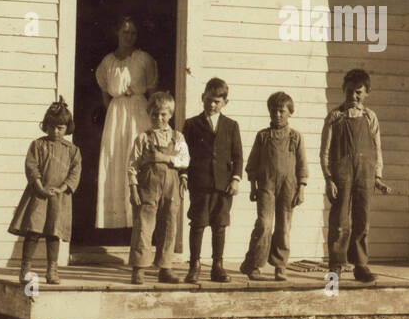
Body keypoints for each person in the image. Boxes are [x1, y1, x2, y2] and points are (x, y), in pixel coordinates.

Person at [320, 69, 388, 283]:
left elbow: (377, 149)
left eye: (359, 92)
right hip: (341, 174)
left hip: (365, 174)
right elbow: (324, 152)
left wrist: (377, 176)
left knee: (362, 220)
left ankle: (360, 265)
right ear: (343, 91)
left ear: (367, 93)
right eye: (349, 92)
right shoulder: (334, 117)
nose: (353, 97)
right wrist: (328, 178)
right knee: (339, 221)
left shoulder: (370, 117)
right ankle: (336, 266)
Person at [95, 16, 158, 237]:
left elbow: (152, 94)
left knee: (137, 158)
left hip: (139, 113)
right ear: (117, 33)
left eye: (133, 33)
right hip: (116, 114)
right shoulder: (107, 62)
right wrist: (115, 108)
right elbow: (105, 93)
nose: (129, 37)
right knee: (116, 158)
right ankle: (117, 222)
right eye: (125, 32)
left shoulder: (143, 59)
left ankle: (139, 221)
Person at [8, 98, 82, 285]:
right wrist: (40, 187)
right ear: (45, 125)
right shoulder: (38, 145)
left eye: (60, 128)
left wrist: (62, 188)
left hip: (59, 197)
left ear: (67, 128)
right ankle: (25, 269)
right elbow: (32, 167)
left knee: (53, 233)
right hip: (39, 195)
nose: (55, 131)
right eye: (51, 127)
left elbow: (75, 172)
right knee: (33, 231)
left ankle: (52, 270)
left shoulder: (72, 150)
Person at [181, 78, 244, 283]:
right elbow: (183, 154)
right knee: (198, 224)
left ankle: (217, 266)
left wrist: (235, 179)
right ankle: (194, 266)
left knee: (220, 225)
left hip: (223, 185)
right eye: (209, 100)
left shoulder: (231, 126)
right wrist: (184, 175)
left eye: (217, 101)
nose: (212, 104)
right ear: (202, 97)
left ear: (225, 102)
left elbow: (238, 155)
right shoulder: (191, 124)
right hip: (200, 183)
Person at [241, 91, 308, 281]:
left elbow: (302, 165)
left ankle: (280, 265)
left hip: (289, 187)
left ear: (290, 112)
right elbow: (252, 164)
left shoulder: (295, 137)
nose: (277, 115)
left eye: (281, 111)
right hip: (266, 186)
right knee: (264, 225)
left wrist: (301, 188)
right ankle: (253, 264)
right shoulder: (263, 136)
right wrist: (253, 187)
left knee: (284, 227)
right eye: (273, 111)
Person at [127, 91, 189, 285]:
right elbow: (132, 165)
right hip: (148, 186)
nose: (159, 118)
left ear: (170, 114)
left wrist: (165, 158)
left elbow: (185, 160)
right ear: (149, 114)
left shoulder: (178, 137)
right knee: (144, 227)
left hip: (171, 187)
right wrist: (133, 189)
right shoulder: (143, 138)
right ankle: (139, 268)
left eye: (163, 114)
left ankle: (165, 268)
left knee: (169, 225)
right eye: (154, 114)